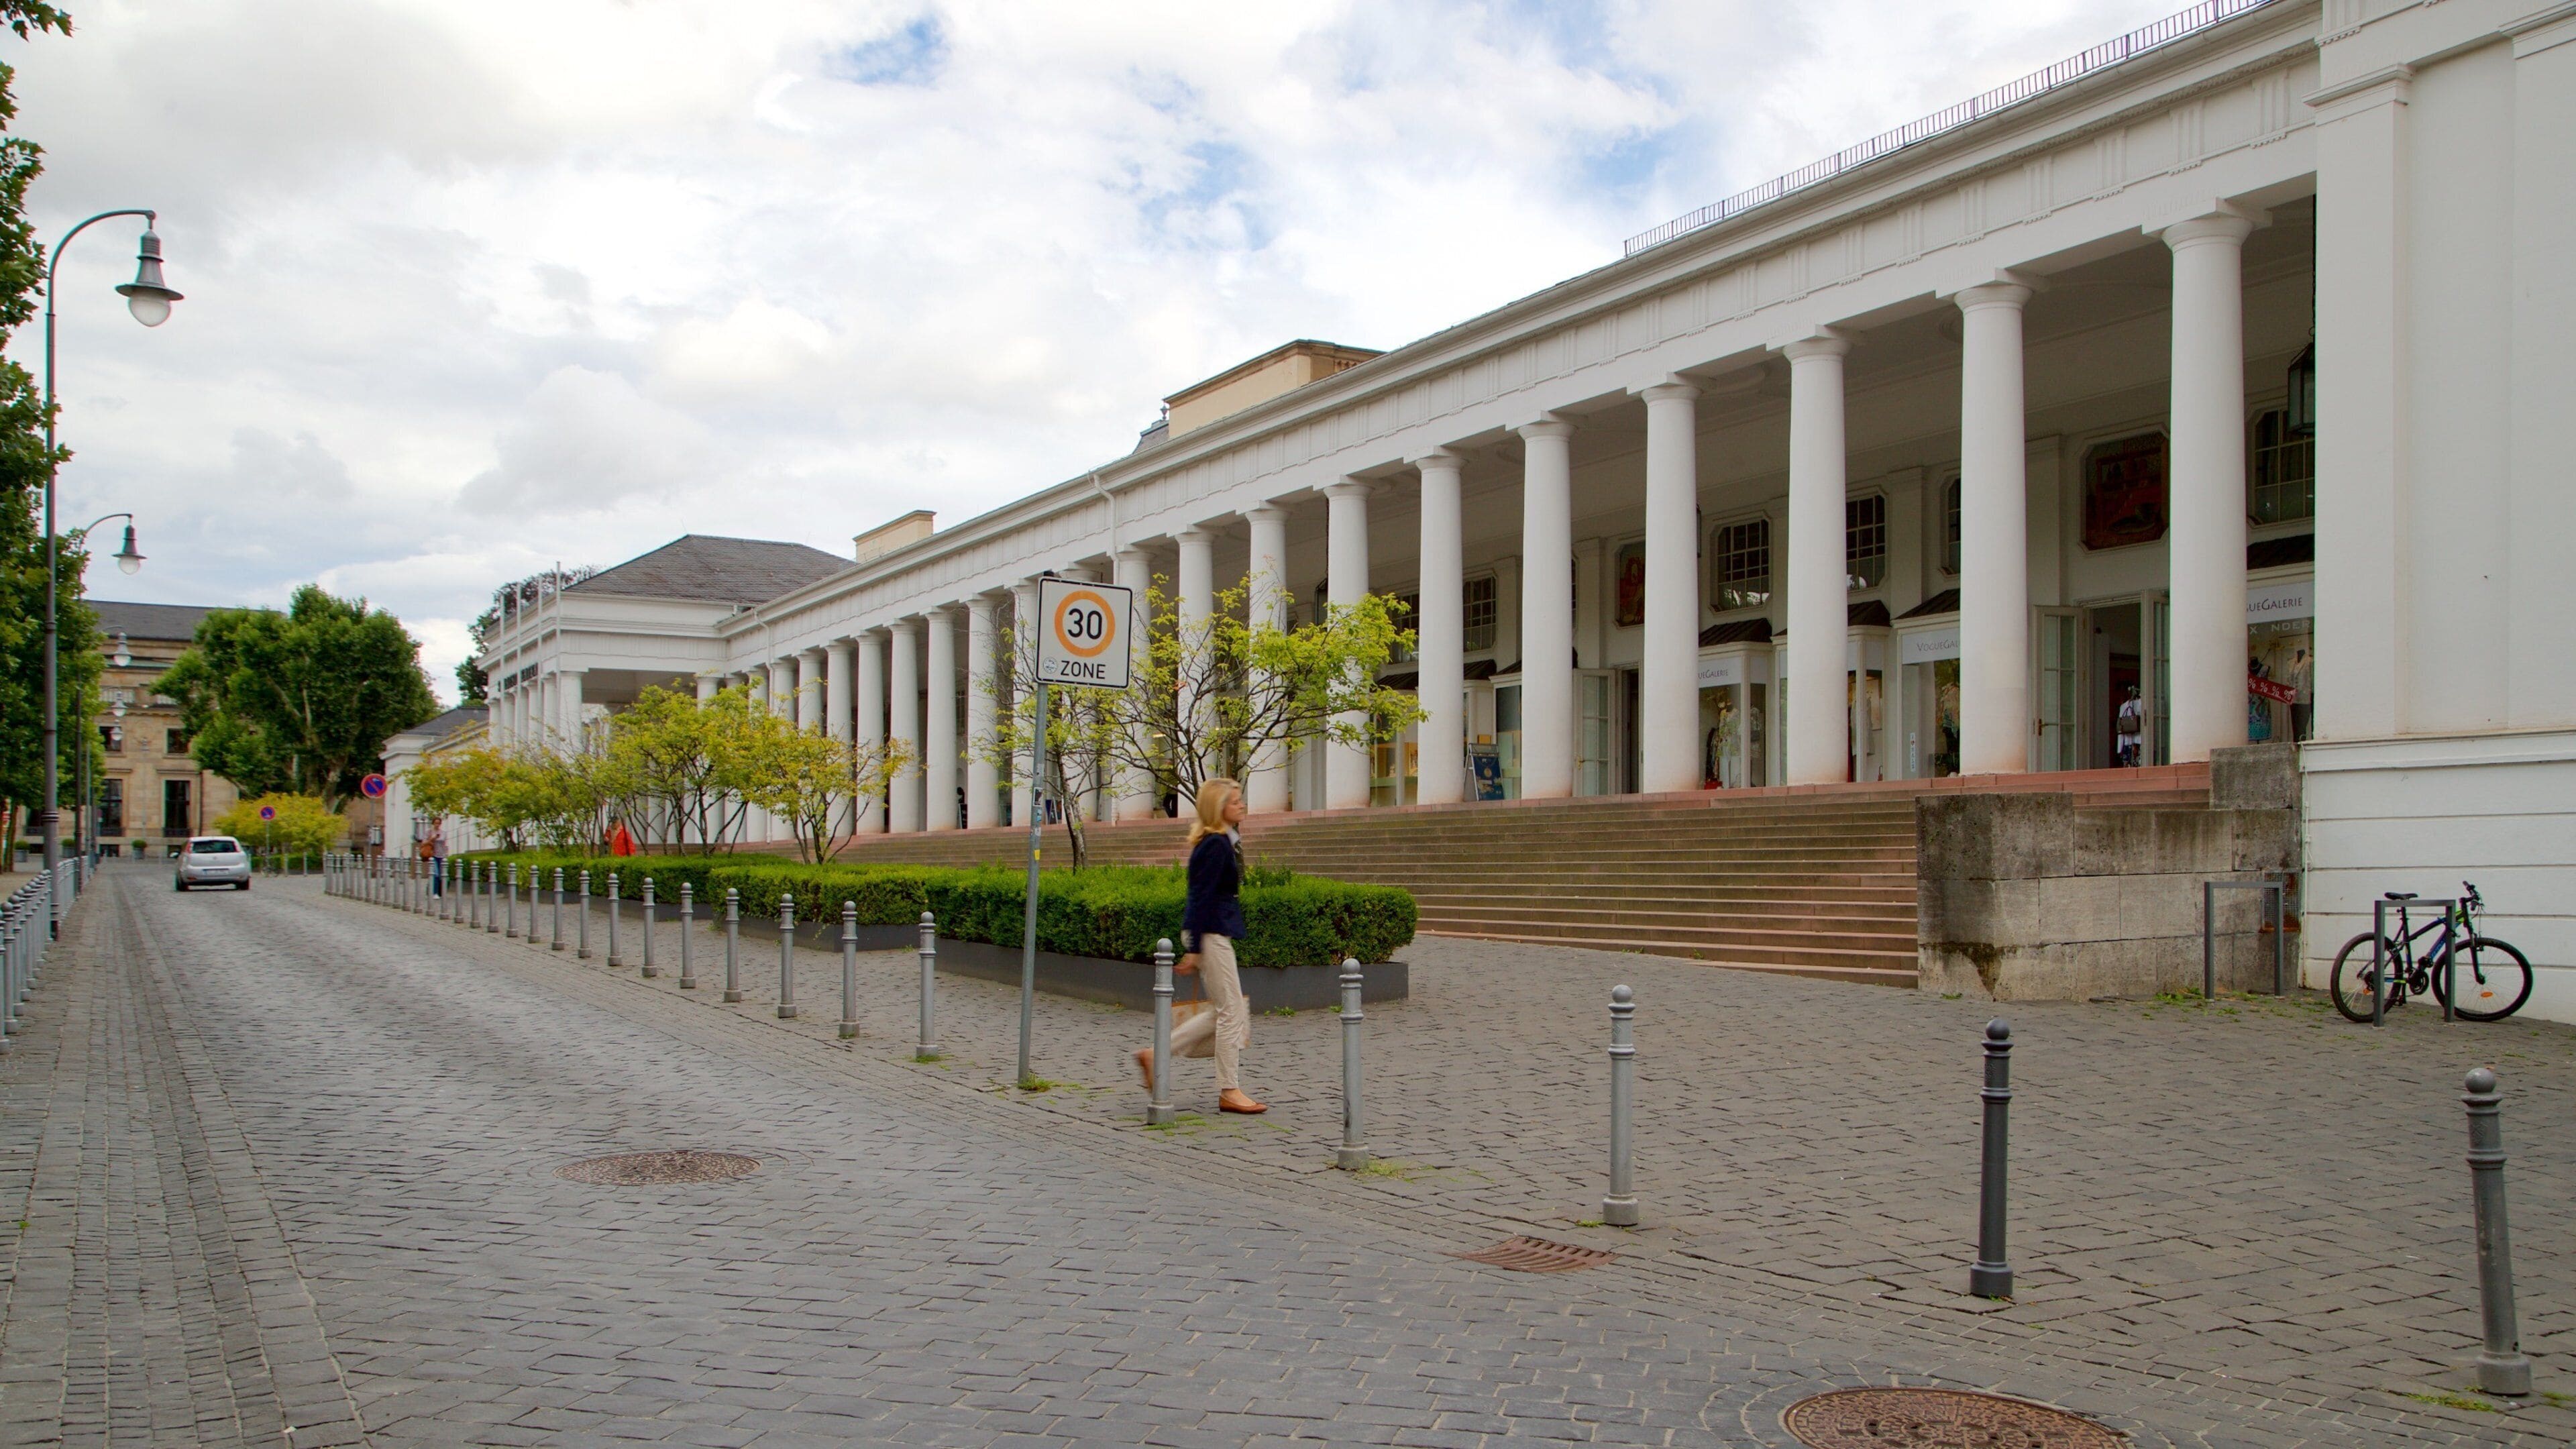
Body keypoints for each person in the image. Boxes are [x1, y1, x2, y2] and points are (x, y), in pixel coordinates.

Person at [1134, 777, 1264, 1114]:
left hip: (1212, 932)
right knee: (1231, 1011)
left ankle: (1156, 1054)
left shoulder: (1220, 840)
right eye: (1236, 802)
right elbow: (1200, 897)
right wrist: (1194, 946)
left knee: (1224, 1009)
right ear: (1219, 807)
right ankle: (1229, 1090)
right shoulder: (1215, 844)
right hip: (1210, 934)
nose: (1242, 805)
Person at [2116, 685, 2145, 767]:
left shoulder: (2144, 704)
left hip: (2136, 740)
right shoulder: (2124, 707)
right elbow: (2120, 728)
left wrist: (2120, 748)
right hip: (2131, 741)